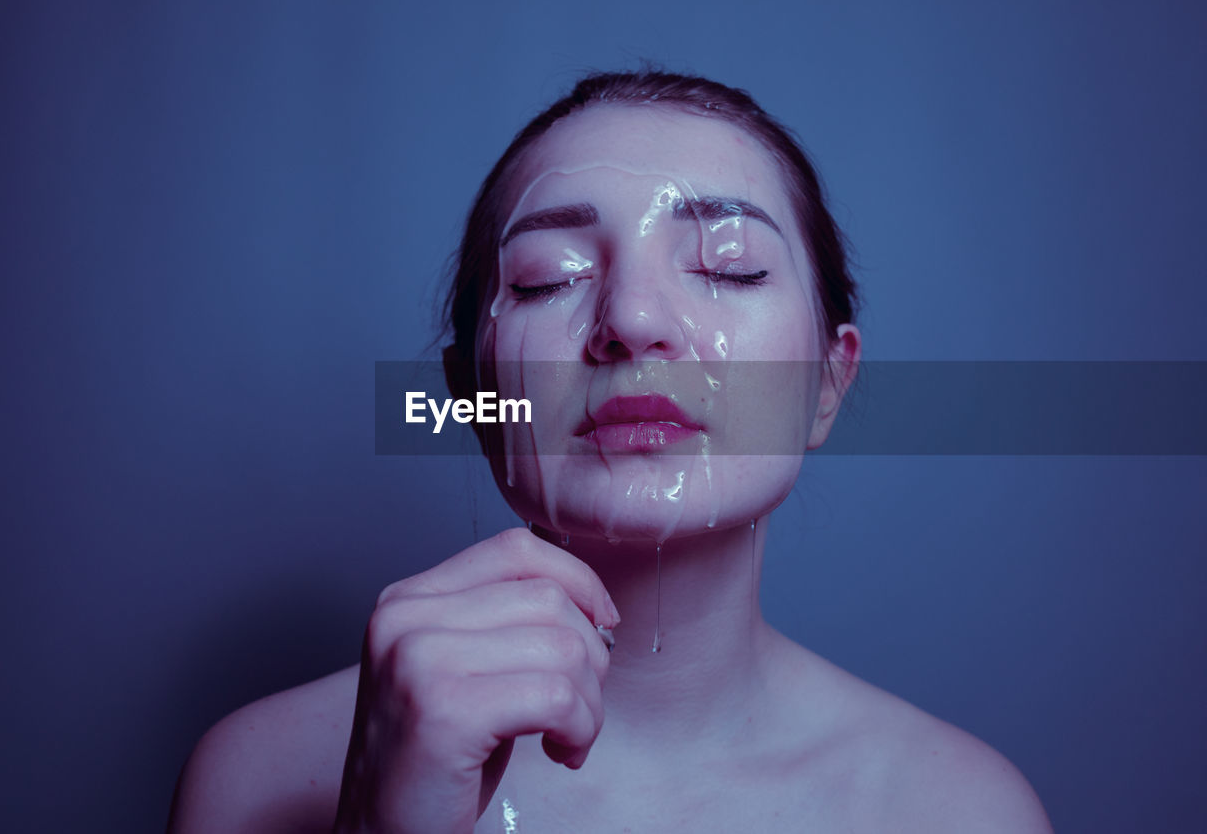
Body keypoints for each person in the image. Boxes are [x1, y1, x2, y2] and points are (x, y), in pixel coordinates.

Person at [168, 70, 1053, 833]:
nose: (632, 321)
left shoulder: (960, 808)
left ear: (828, 381)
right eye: (548, 278)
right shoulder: (257, 779)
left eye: (730, 265)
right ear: (472, 395)